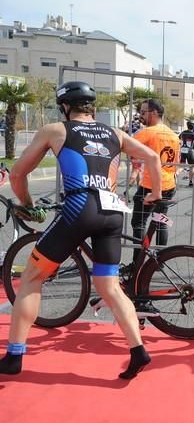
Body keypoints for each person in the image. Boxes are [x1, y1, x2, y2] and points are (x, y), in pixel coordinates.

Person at [0, 81, 162, 379]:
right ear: (93, 108)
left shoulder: (56, 130)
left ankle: (14, 356)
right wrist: (155, 194)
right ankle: (138, 350)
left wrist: (27, 203)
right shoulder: (115, 133)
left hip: (80, 207)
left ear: (65, 106)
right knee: (110, 287)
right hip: (113, 211)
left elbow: (19, 173)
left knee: (32, 278)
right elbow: (152, 158)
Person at [130, 99, 179, 260]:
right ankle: (159, 260)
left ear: (154, 113)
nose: (140, 116)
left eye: (143, 112)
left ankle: (137, 263)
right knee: (160, 221)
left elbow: (126, 146)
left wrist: (135, 169)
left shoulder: (147, 132)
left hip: (150, 184)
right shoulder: (173, 135)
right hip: (169, 183)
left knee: (139, 223)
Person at [179, 120, 194, 186]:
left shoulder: (183, 133)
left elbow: (179, 139)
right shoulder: (193, 134)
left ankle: (176, 174)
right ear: (193, 126)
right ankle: (190, 181)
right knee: (191, 166)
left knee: (181, 166)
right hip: (189, 151)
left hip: (183, 150)